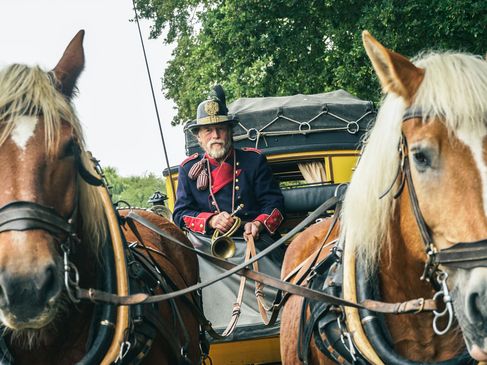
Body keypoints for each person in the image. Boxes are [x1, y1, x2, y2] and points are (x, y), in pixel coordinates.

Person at [173, 85, 285, 333]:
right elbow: (180, 214)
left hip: (255, 244)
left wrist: (258, 223)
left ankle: (283, 319)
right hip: (207, 248)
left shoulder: (253, 160)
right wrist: (211, 220)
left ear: (229, 132)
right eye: (208, 130)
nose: (215, 135)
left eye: (220, 128)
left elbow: (274, 204)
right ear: (199, 137)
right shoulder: (187, 169)